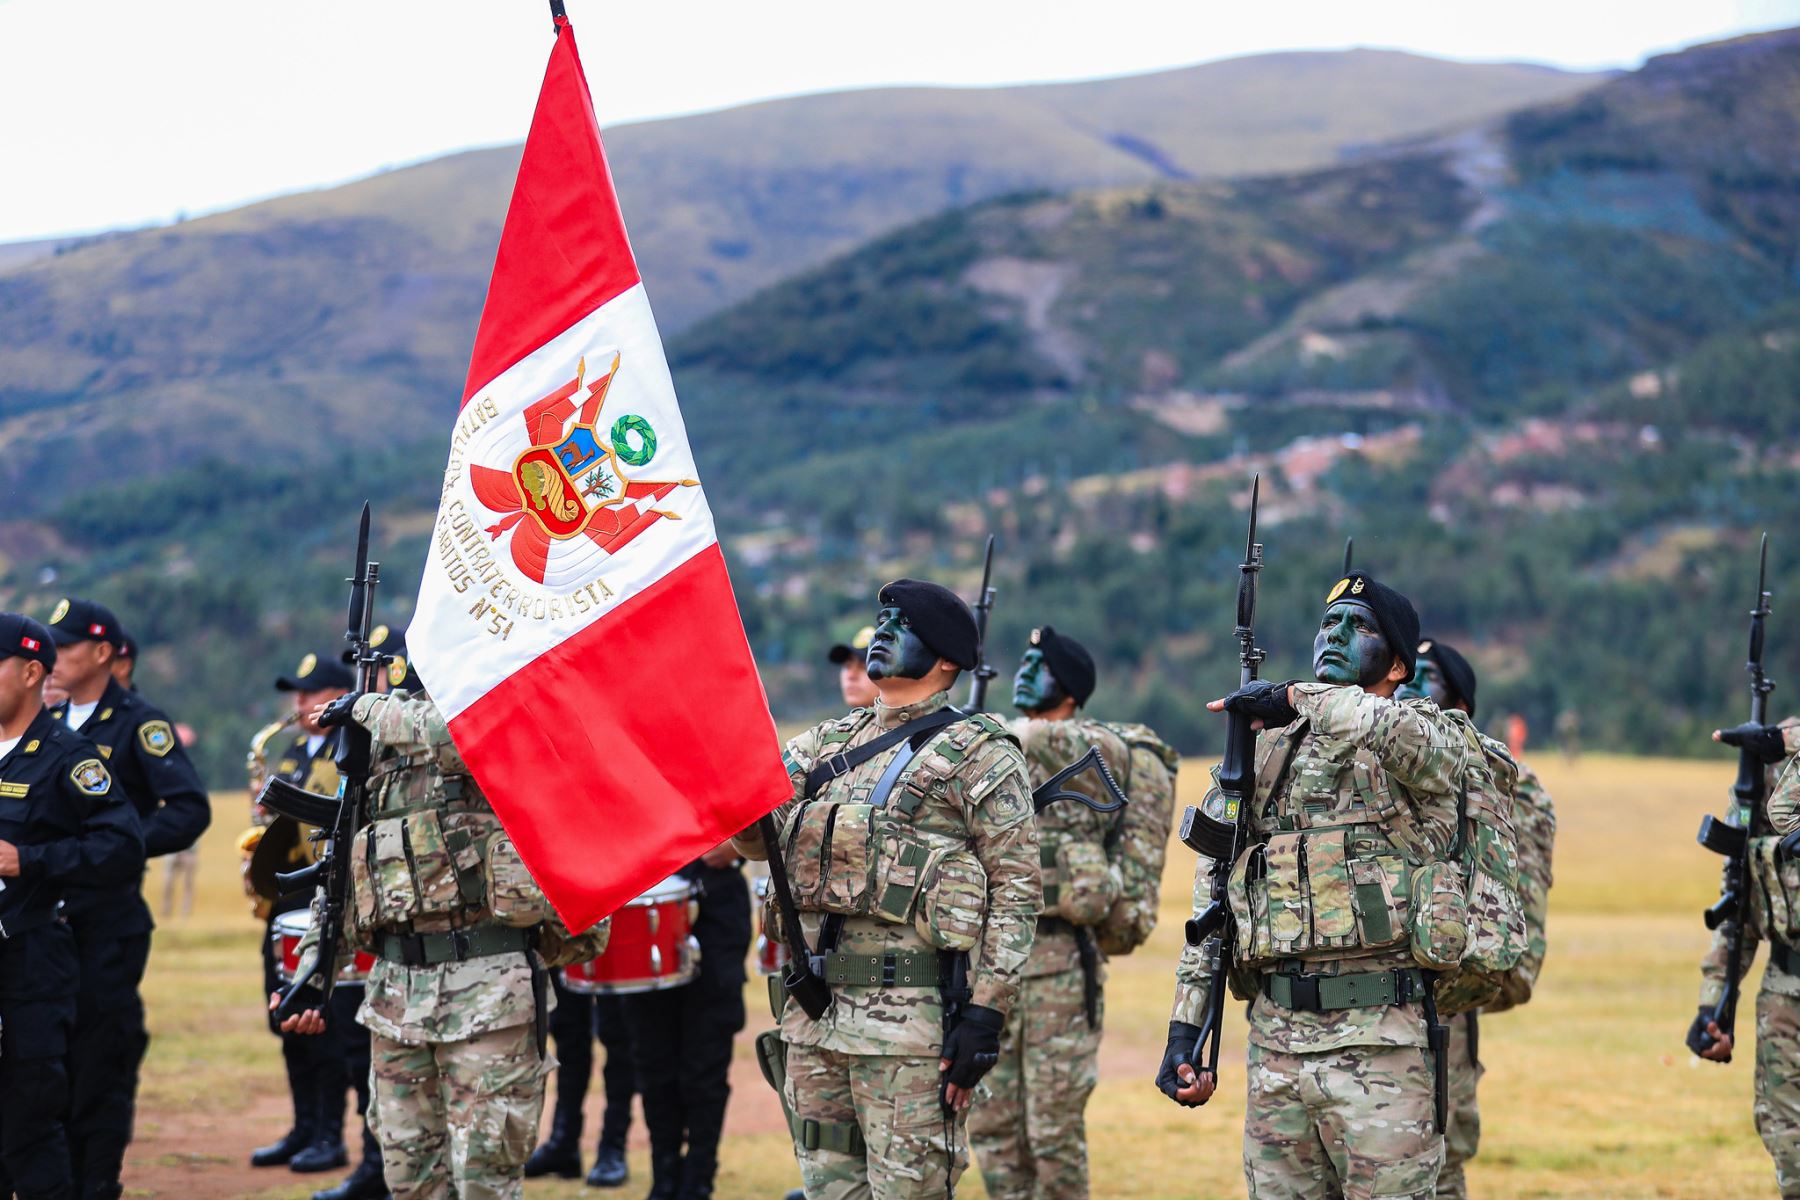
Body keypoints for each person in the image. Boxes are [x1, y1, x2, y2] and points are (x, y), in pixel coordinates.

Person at [1158, 571, 1471, 1199]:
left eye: (1359, 628)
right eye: (1329, 624)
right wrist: (1185, 1026)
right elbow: (1215, 898)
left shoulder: (1425, 735)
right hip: (1277, 1045)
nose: (1335, 636)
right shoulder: (1267, 753)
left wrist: (1295, 697)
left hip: (1382, 1045)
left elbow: (1425, 751)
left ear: (1400, 666)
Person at [735, 578, 1040, 1199]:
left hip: (911, 1030)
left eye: (902, 625)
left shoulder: (980, 753)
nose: (882, 632)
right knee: (829, 1190)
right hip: (815, 1018)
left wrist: (985, 1015)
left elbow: (1017, 893)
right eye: (881, 620)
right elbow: (752, 837)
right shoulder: (824, 743)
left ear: (947, 658)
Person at [278, 685, 608, 1200]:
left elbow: (464, 736)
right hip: (394, 998)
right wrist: (313, 975)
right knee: (410, 1182)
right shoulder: (376, 750)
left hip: (490, 991)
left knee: (484, 1180)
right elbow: (344, 871)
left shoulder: (497, 711)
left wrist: (370, 709)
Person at [44, 597, 211, 1200]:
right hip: (45, 924)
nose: (52, 658)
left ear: (104, 653)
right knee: (44, 1060)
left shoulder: (139, 723)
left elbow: (190, 808)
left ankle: (96, 1183)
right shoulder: (46, 725)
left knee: (99, 1060)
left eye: (65, 647)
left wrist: (119, 845)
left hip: (106, 923)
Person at [967, 626, 1126, 1200]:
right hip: (993, 964)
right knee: (991, 1124)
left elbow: (1030, 740)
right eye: (1024, 658)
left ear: (1072, 689)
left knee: (1053, 1128)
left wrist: (962, 727)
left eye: (1042, 665)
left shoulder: (1087, 745)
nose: (1024, 671)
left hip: (1060, 965)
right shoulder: (994, 745)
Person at [0, 614, 143, 1200]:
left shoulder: (68, 756)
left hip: (29, 959)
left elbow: (122, 843)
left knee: (29, 1120)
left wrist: (28, 860)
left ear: (33, 672)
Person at [1409, 639, 1557, 1200]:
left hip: (1443, 1013)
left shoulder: (1499, 786)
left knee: (1438, 1168)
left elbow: (1516, 940)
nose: (1410, 689)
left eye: (1428, 679)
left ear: (1462, 707)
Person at [247, 650, 357, 1178]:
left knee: (324, 1024)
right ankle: (302, 1126)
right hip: (285, 899)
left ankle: (329, 1135)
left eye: (311, 693)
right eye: (298, 693)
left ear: (339, 695)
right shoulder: (291, 750)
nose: (301, 703)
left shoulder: (349, 749)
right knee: (285, 1017)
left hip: (326, 896)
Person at [1691, 713, 1800, 1198]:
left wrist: (1786, 742)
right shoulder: (1767, 765)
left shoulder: (1781, 745)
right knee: (1788, 1146)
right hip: (1784, 996)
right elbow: (1739, 894)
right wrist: (1715, 1004)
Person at [620, 846, 753, 1200]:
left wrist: (739, 846)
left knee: (705, 1068)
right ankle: (662, 1179)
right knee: (652, 1063)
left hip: (716, 910)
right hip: (643, 906)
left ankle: (698, 1181)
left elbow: (765, 803)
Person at [827, 626, 877, 709]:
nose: (851, 675)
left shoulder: (903, 721)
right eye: (847, 666)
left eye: (864, 667)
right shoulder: (848, 722)